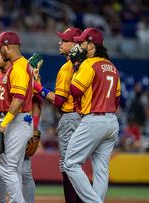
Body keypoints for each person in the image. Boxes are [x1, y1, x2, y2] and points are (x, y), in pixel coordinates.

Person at [0, 41, 40, 203]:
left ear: (6, 53)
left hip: (17, 121)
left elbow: (35, 101)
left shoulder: (19, 72)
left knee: (19, 169)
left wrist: (35, 129)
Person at [62, 28, 121, 203]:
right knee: (101, 170)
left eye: (82, 42)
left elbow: (75, 90)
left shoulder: (88, 64)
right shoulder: (111, 66)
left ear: (91, 44)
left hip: (94, 119)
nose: (79, 45)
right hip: (112, 121)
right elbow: (117, 100)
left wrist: (76, 66)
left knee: (70, 163)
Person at [33, 27, 83, 203]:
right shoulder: (87, 64)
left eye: (64, 40)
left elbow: (60, 101)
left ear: (75, 44)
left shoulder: (66, 68)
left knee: (67, 165)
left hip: (70, 117)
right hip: (87, 119)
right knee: (79, 166)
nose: (59, 43)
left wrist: (38, 87)